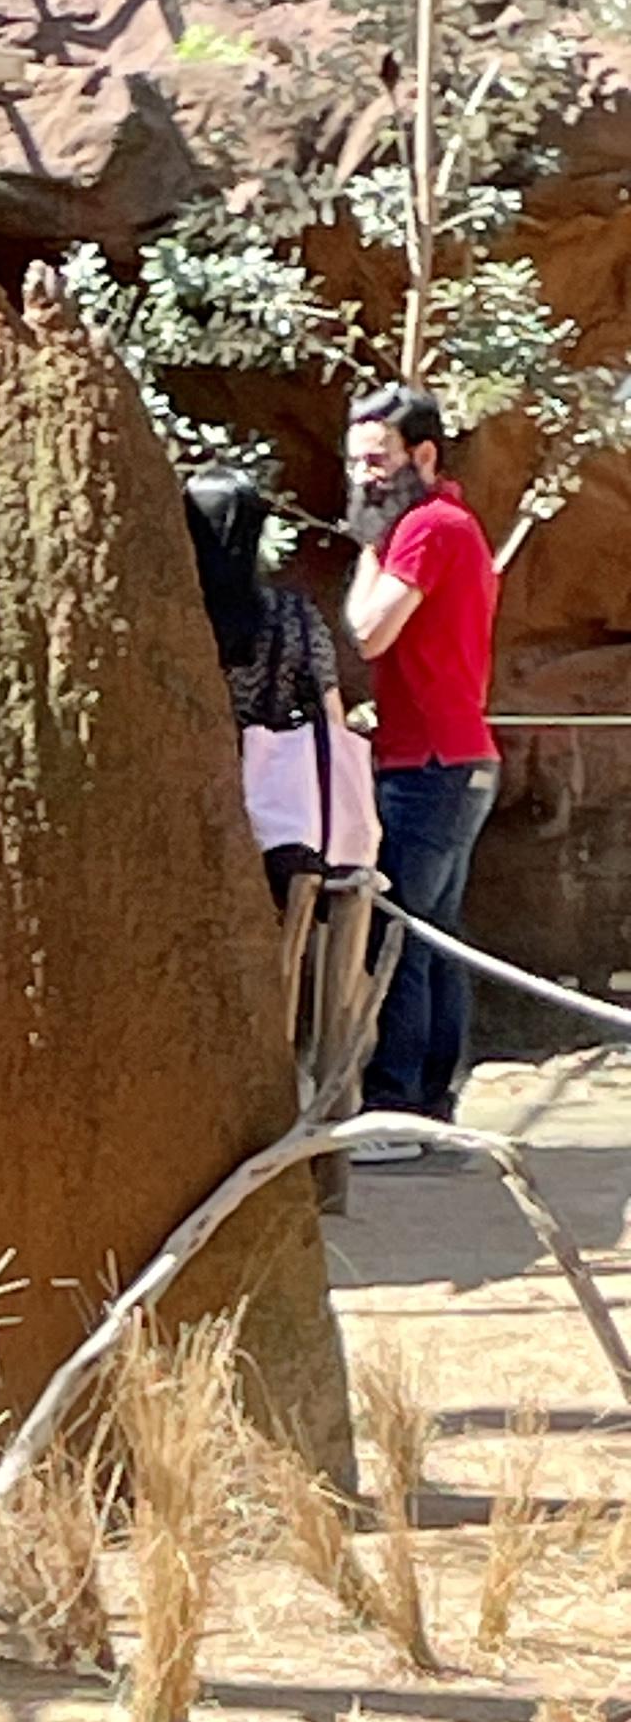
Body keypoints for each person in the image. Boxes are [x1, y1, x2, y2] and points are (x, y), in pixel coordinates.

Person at [343, 380, 502, 1159]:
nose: (365, 476)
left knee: (397, 930)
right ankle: (434, 1103)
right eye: (356, 462)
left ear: (424, 454)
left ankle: (398, 1106)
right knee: (435, 935)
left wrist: (371, 544)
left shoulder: (425, 529)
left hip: (431, 762)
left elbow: (369, 631)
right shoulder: (453, 525)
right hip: (455, 754)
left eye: (377, 460)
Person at [182, 468, 377, 899]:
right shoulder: (293, 618)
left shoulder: (175, 621)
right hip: (280, 823)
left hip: (191, 810)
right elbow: (330, 719)